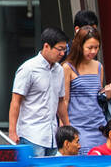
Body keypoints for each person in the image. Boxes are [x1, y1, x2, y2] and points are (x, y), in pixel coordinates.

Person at [9, 27, 70, 156]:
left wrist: (68, 126)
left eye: (65, 49)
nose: (63, 53)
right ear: (46, 46)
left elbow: (60, 101)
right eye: (59, 49)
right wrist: (12, 131)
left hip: (52, 135)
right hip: (31, 135)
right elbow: (16, 101)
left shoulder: (59, 70)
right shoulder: (28, 68)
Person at [63, 26, 111, 152]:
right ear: (79, 46)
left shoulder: (98, 66)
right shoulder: (67, 67)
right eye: (89, 48)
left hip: (99, 124)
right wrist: (65, 126)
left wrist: (108, 94)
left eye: (96, 47)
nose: (93, 51)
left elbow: (97, 96)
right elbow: (64, 100)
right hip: (78, 126)